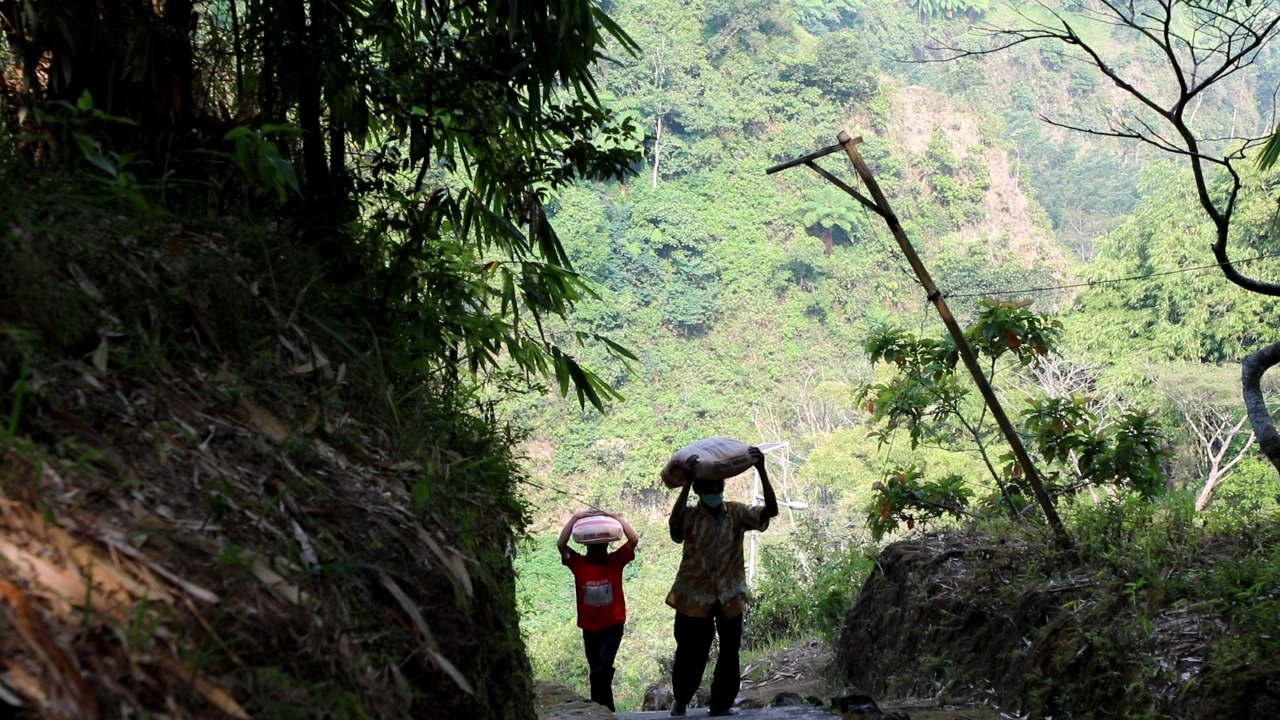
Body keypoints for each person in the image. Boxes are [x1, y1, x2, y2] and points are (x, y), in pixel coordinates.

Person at [665, 446, 778, 717]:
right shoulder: (690, 517)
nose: (715, 492)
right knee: (691, 653)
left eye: (718, 487)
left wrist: (761, 469)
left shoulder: (736, 513)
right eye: (709, 487)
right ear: (698, 491)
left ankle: (721, 705)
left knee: (730, 651)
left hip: (729, 595)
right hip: (694, 596)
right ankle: (680, 699)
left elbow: (770, 511)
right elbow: (674, 528)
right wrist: (686, 484)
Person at [557, 508, 639, 712]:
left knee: (600, 669)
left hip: (613, 626)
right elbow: (561, 545)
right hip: (589, 629)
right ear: (587, 548)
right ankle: (604, 711)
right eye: (595, 547)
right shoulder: (578, 563)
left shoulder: (615, 561)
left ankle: (601, 711)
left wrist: (616, 517)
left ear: (607, 546)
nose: (599, 550)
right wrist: (575, 518)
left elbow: (633, 540)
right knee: (597, 671)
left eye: (602, 547)